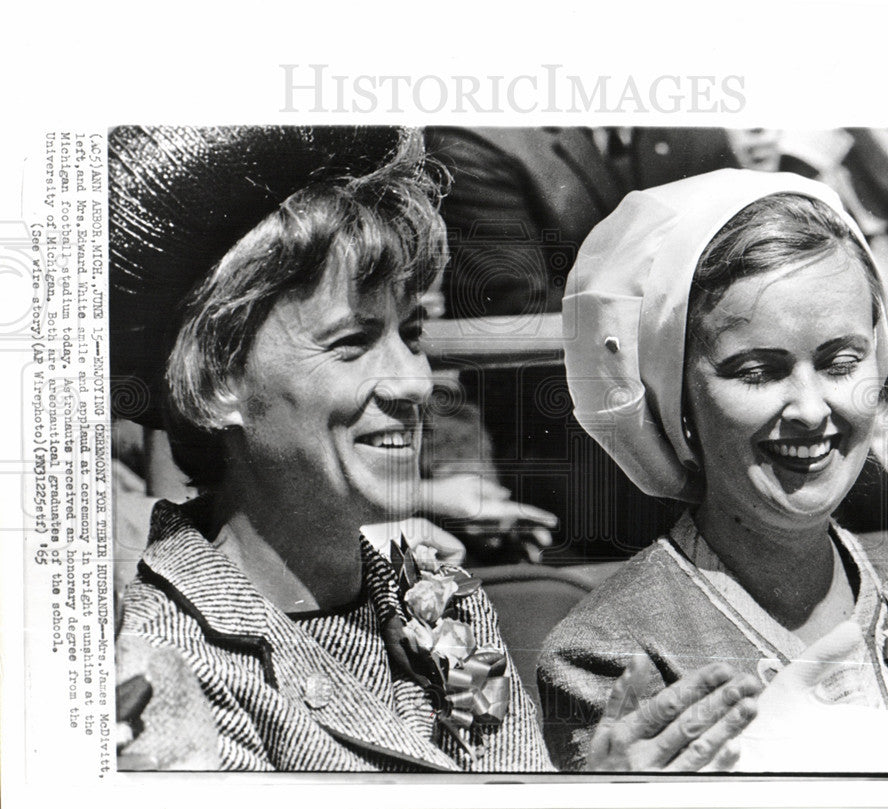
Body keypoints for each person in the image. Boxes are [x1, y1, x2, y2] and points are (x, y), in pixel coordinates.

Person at [110, 126, 761, 772]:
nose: (414, 382)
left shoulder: (436, 589)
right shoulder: (162, 659)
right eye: (351, 342)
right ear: (215, 380)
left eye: (412, 333)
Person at [539, 168, 888, 771]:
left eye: (842, 362)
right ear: (673, 395)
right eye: (757, 372)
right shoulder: (615, 652)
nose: (812, 410)